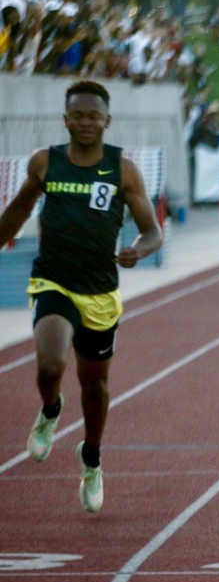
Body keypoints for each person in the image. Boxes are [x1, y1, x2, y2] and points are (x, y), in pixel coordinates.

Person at [0, 79, 163, 512]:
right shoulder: (44, 163)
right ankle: (51, 409)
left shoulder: (122, 169)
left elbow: (152, 230)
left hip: (100, 292)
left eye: (94, 115)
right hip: (53, 280)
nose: (86, 122)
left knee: (96, 385)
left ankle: (91, 456)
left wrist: (138, 251)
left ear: (106, 120)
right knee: (51, 362)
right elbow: (17, 209)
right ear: (65, 118)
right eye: (78, 114)